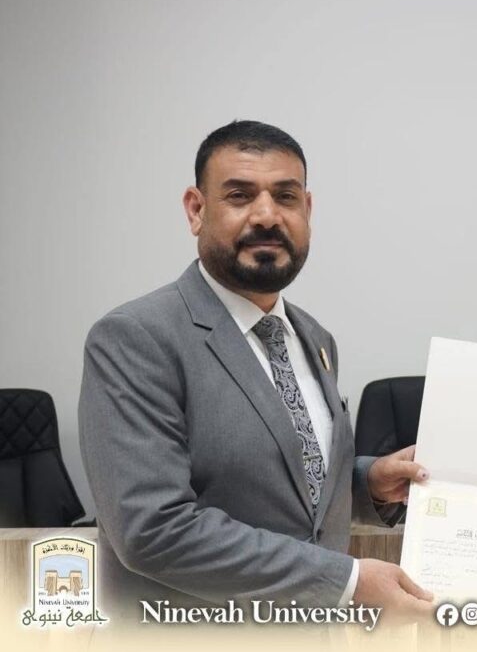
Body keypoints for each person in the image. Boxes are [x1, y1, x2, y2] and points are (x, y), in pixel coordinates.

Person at [79, 120, 434, 622]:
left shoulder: (315, 339)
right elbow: (152, 531)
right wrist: (346, 582)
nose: (267, 216)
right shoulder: (135, 338)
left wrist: (366, 482)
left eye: (285, 197)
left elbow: (278, 477)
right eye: (240, 196)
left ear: (307, 210)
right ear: (196, 210)